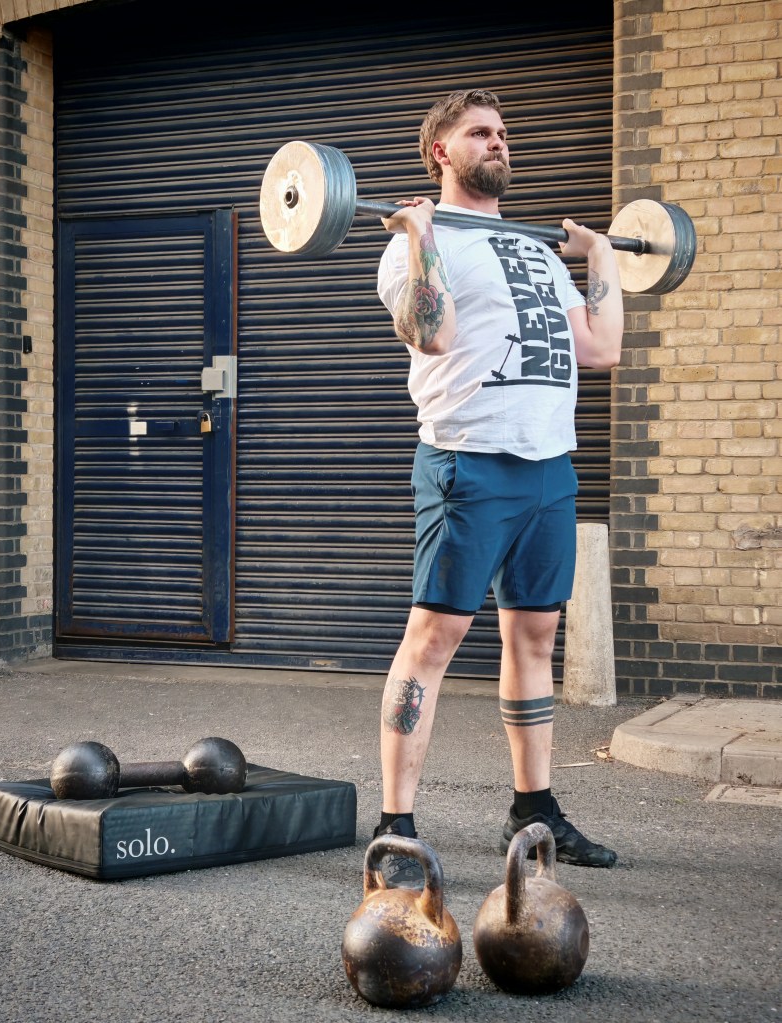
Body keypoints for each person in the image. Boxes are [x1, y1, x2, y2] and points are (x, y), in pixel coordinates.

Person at [372, 88, 623, 887]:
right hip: (467, 464)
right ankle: (396, 826)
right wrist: (417, 239)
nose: (499, 142)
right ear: (441, 152)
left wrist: (604, 256)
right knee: (434, 639)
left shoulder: (536, 248)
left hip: (549, 466)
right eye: (481, 133)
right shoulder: (415, 240)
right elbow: (432, 331)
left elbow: (600, 348)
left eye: (505, 133)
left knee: (534, 639)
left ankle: (534, 807)